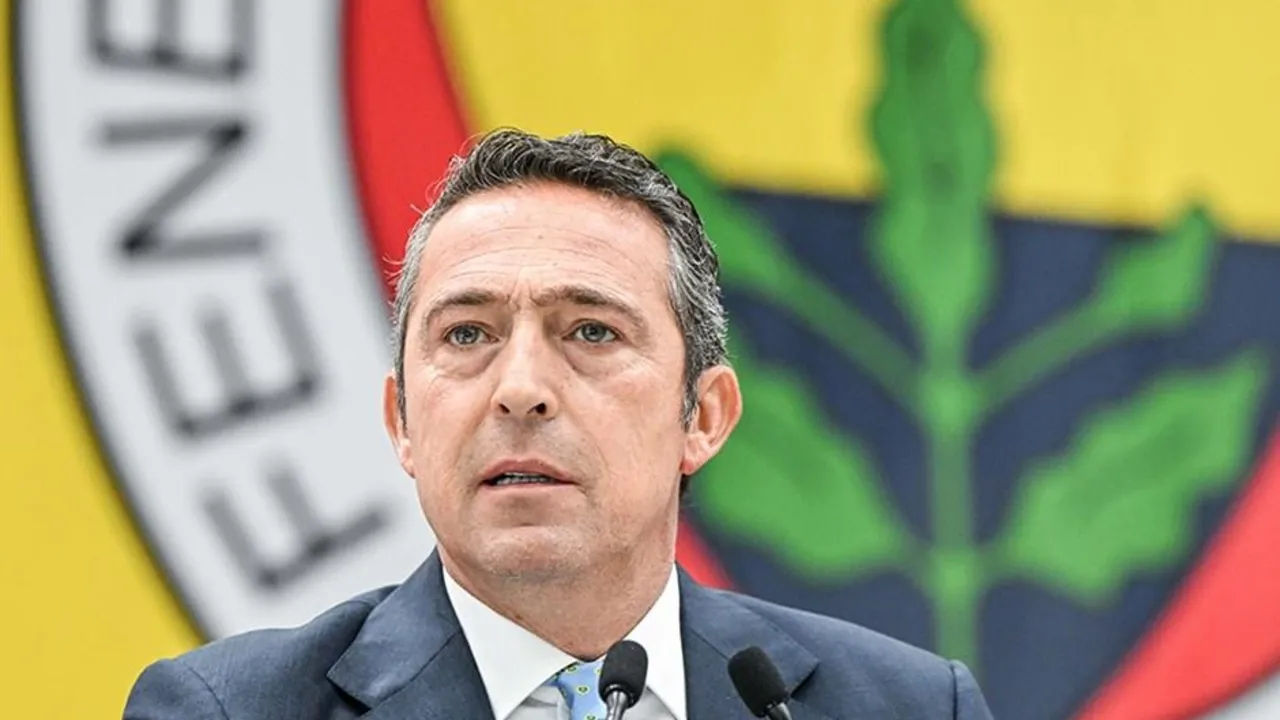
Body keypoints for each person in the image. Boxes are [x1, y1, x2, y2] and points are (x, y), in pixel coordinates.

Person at [123, 129, 993, 719]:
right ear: (402, 422)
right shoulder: (229, 710)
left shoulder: (909, 706)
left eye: (591, 332)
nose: (521, 389)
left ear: (703, 416)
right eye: (468, 334)